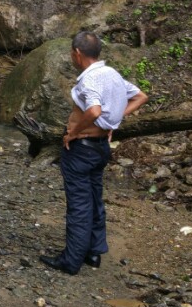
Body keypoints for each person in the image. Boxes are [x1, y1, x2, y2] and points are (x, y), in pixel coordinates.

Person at [40, 31, 148, 275]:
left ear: (77, 54)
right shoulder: (113, 75)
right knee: (94, 198)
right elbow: (141, 96)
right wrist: (112, 123)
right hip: (100, 149)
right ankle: (93, 252)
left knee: (79, 203)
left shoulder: (89, 80)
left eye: (71, 53)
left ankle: (71, 260)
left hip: (81, 150)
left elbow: (95, 111)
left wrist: (73, 133)